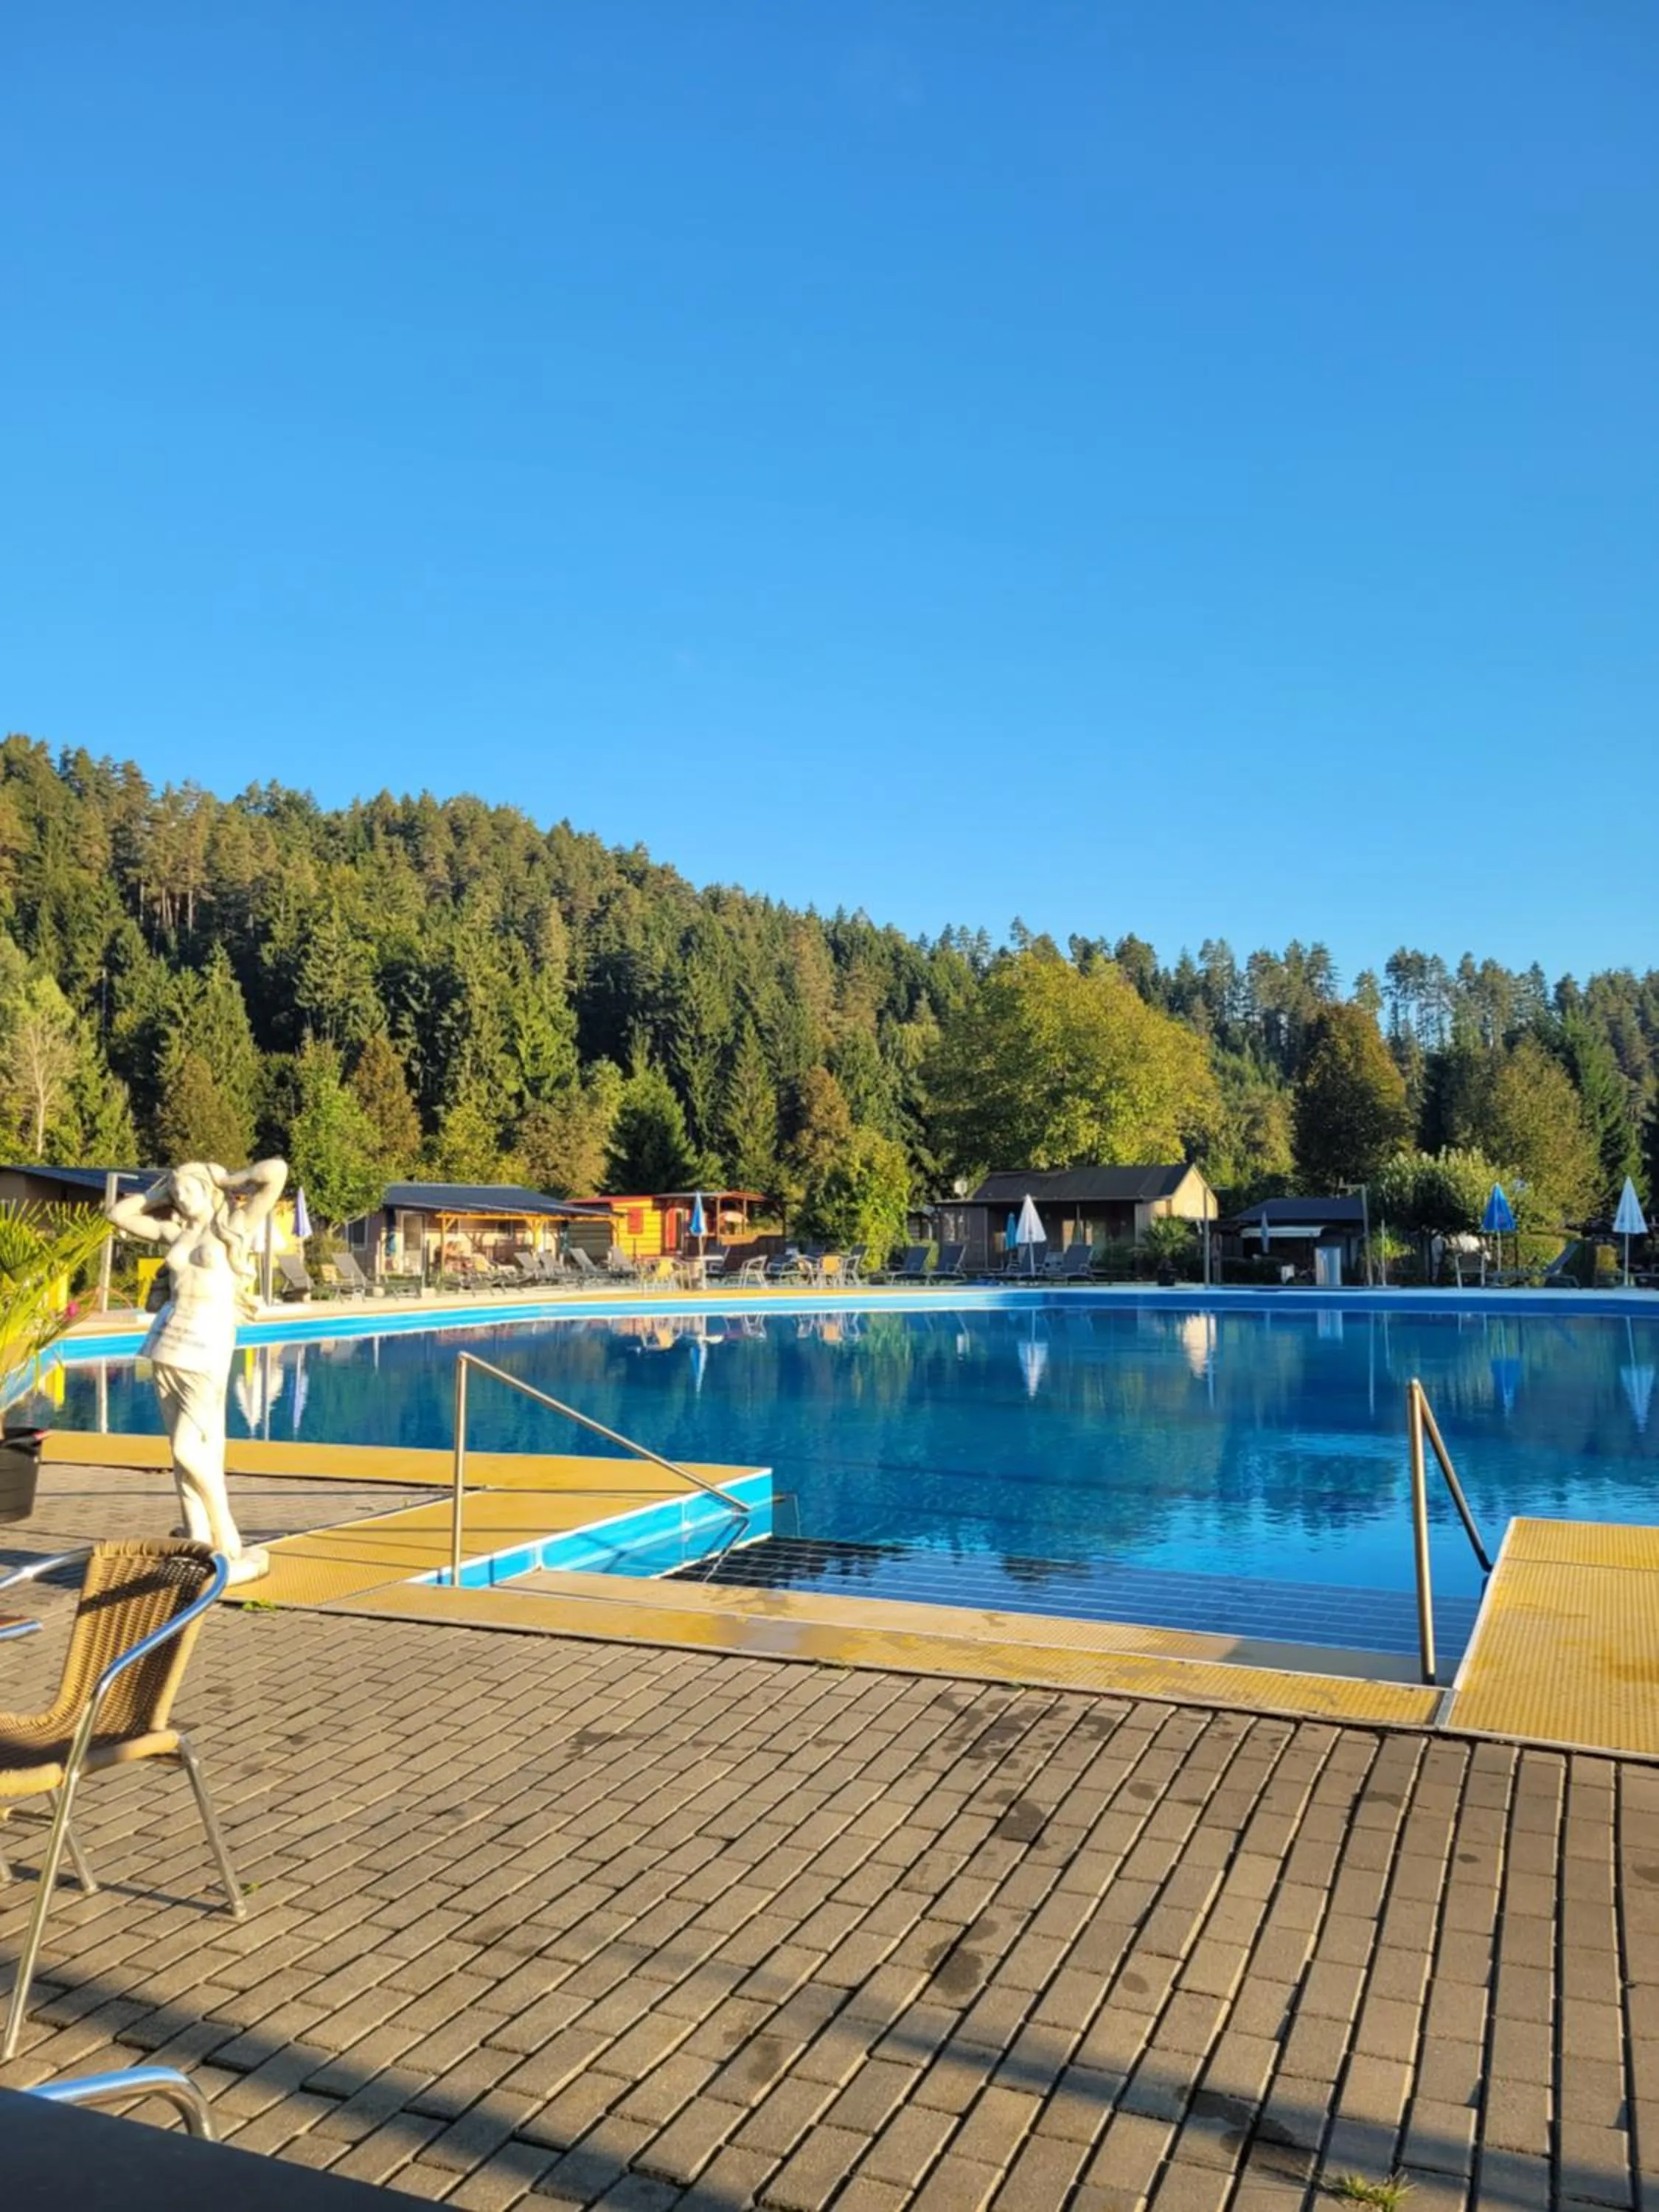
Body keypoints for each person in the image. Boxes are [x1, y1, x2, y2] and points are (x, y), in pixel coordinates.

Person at [106, 1159, 288, 1583]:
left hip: (207, 1340)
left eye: (190, 1190)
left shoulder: (235, 1225)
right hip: (166, 1338)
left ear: (209, 1191)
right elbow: (119, 1215)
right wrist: (160, 1192)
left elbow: (275, 1172)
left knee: (193, 1446)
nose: (183, 1199)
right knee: (179, 1451)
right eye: (179, 1192)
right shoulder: (176, 1231)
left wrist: (228, 1179)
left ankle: (226, 1533)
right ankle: (198, 1537)